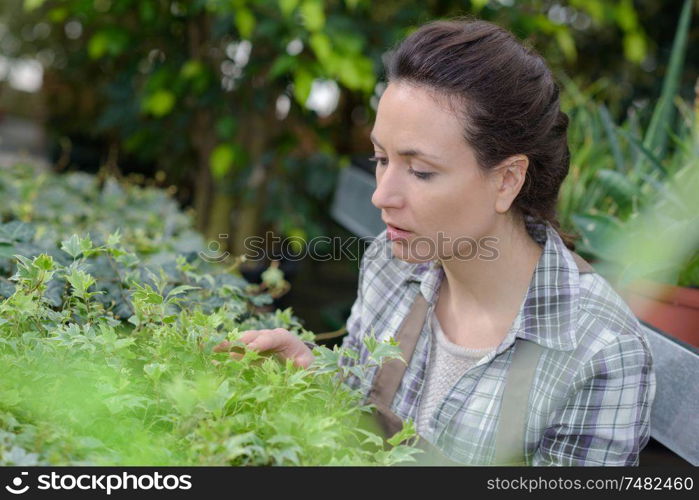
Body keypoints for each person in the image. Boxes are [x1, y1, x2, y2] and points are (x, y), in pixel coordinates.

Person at [215, 18, 656, 466]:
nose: (381, 195)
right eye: (381, 159)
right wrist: (313, 381)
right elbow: (352, 424)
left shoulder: (598, 351)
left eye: (421, 171)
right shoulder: (392, 262)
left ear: (507, 180)